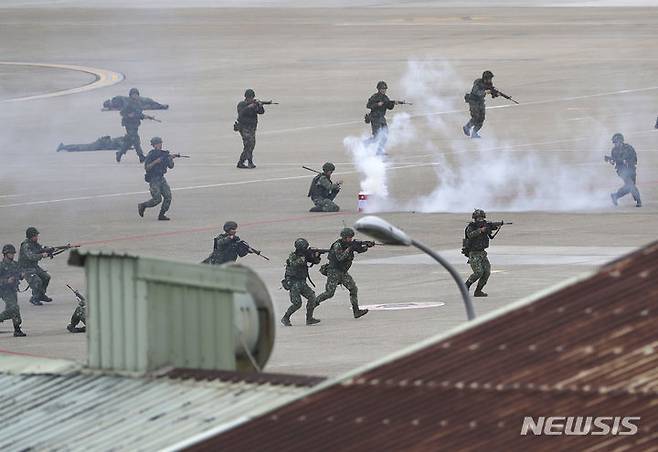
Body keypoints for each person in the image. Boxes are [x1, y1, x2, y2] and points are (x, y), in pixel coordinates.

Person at [314, 228, 369, 319]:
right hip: (334, 271)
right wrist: (350, 248)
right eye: (348, 238)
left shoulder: (349, 244)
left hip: (343, 272)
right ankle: (313, 303)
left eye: (351, 238)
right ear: (344, 237)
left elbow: (360, 250)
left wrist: (366, 246)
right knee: (329, 293)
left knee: (353, 289)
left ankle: (356, 311)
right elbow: (340, 257)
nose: (350, 239)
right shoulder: (337, 245)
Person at [280, 238, 322, 326]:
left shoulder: (305, 255)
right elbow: (293, 263)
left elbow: (315, 261)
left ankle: (309, 318)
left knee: (312, 297)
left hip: (302, 281)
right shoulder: (293, 255)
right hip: (294, 282)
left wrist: (316, 255)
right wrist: (303, 258)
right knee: (297, 303)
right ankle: (286, 317)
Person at [138, 137, 176, 220]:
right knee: (157, 199)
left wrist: (170, 159)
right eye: (158, 143)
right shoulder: (151, 155)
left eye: (160, 143)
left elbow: (171, 166)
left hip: (161, 178)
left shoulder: (164, 154)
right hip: (153, 179)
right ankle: (143, 205)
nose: (160, 145)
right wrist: (156, 162)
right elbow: (147, 167)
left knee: (168, 196)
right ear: (154, 145)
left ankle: (162, 214)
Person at [463, 209, 495, 297]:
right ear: (475, 218)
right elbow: (470, 235)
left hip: (482, 253)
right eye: (478, 218)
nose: (480, 219)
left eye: (481, 218)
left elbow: (491, 232)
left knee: (487, 272)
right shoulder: (471, 227)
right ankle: (466, 286)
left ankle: (478, 291)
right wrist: (480, 230)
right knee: (478, 272)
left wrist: (491, 227)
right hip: (474, 253)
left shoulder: (486, 225)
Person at [366, 81, 403, 155]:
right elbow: (368, 105)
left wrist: (393, 103)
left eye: (385, 89)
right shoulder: (375, 97)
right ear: (379, 89)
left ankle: (379, 151)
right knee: (376, 137)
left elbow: (389, 107)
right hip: (375, 118)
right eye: (382, 89)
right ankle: (365, 144)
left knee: (385, 135)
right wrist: (377, 104)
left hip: (382, 119)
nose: (384, 90)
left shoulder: (385, 98)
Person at [18, 227, 52, 306]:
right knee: (37, 281)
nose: (37, 237)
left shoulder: (34, 243)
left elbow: (41, 247)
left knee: (46, 277)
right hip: (25, 268)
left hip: (34, 267)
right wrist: (42, 255)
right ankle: (34, 298)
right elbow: (31, 256)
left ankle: (41, 295)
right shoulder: (25, 245)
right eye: (35, 236)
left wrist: (49, 249)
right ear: (30, 236)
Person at [607, 133, 642, 207]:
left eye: (616, 142)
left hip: (631, 169)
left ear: (621, 141)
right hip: (622, 170)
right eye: (614, 142)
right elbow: (615, 162)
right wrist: (610, 160)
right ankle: (638, 201)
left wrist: (620, 160)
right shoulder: (614, 151)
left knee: (629, 187)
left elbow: (631, 158)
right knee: (631, 185)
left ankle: (615, 196)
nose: (615, 144)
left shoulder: (628, 148)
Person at [0, 244, 26, 337]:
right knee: (14, 308)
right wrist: (6, 281)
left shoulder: (15, 264)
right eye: (10, 253)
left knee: (15, 311)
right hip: (4, 291)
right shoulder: (1, 266)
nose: (12, 255)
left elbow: (19, 274)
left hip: (13, 290)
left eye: (13, 253)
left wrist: (22, 275)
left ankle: (17, 329)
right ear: (5, 254)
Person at [463, 70, 497, 139]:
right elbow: (476, 92)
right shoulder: (478, 83)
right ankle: (467, 127)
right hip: (473, 101)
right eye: (489, 79)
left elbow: (492, 92)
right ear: (485, 78)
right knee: (476, 117)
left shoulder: (489, 84)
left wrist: (495, 93)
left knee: (481, 119)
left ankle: (474, 133)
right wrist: (485, 92)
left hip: (480, 102)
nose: (490, 80)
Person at [236, 89, 265, 169]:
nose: (251, 99)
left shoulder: (254, 105)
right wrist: (250, 107)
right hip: (244, 127)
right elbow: (241, 113)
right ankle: (245, 162)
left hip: (252, 128)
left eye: (252, 97)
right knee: (248, 144)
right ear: (246, 97)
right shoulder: (241, 104)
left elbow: (261, 112)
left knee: (251, 145)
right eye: (249, 97)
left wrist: (259, 105)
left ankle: (245, 162)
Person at [116, 88, 147, 163]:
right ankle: (141, 156)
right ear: (131, 95)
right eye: (133, 94)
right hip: (129, 125)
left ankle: (119, 153)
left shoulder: (138, 103)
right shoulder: (128, 103)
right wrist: (129, 115)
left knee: (129, 142)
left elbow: (138, 113)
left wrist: (144, 116)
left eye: (136, 94)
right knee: (136, 140)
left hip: (135, 124)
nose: (135, 96)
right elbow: (122, 112)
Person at [57, 135, 126, 153]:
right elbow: (121, 145)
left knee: (80, 147)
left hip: (99, 144)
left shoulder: (120, 140)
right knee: (80, 147)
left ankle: (64, 147)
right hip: (99, 145)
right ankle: (63, 147)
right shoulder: (121, 140)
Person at [102, 95, 168, 111]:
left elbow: (124, 102)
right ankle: (161, 106)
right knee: (148, 107)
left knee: (149, 102)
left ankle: (161, 105)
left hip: (135, 100)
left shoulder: (116, 99)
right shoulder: (114, 106)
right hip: (134, 104)